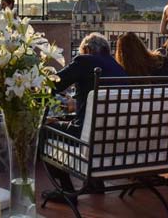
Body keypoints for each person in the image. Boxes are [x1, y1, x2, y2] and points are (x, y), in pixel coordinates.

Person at [43, 33, 126, 203]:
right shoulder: (119, 68)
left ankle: (66, 190)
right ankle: (95, 183)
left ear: (87, 50)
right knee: (84, 124)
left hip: (86, 138)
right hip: (115, 137)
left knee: (43, 130)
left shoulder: (84, 61)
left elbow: (53, 84)